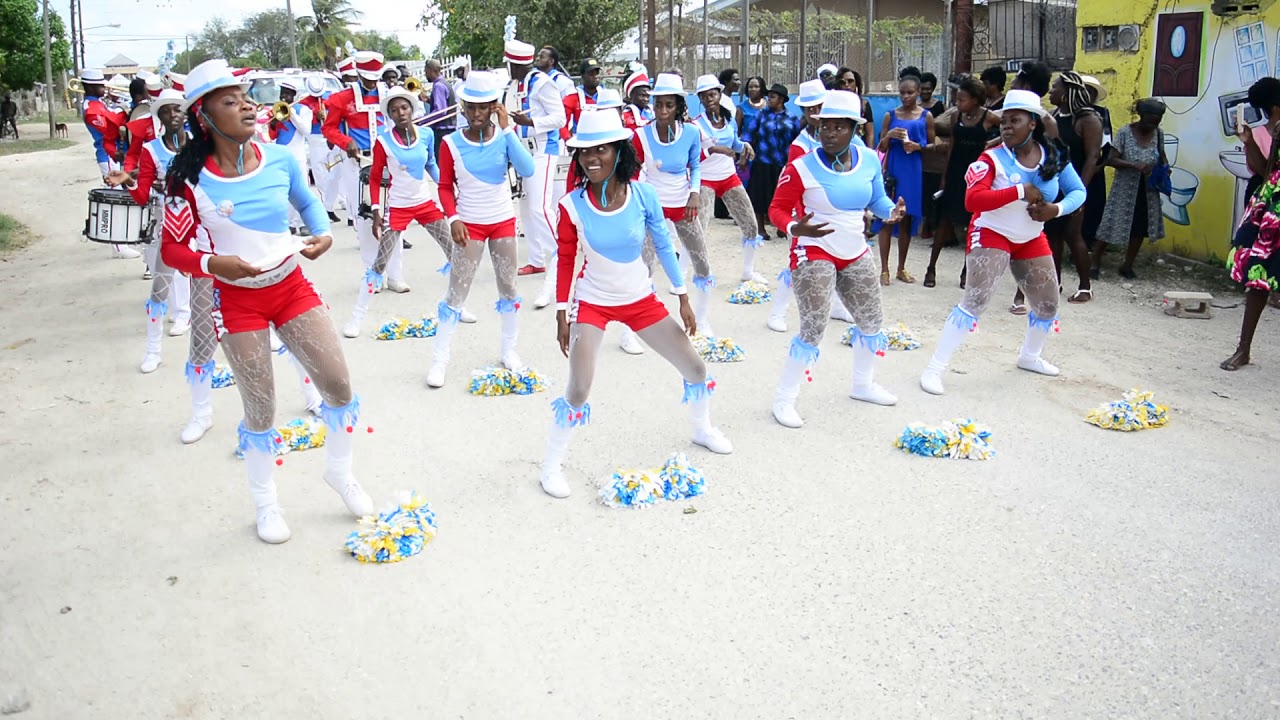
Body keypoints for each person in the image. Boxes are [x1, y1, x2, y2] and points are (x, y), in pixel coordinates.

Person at [159, 59, 372, 543]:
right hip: (237, 301)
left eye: (246, 96)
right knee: (261, 408)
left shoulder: (279, 157)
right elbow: (173, 249)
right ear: (204, 117)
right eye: (230, 102)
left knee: (338, 384)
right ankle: (267, 503)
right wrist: (215, 266)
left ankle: (339, 472)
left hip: (291, 285)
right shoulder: (187, 177)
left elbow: (307, 200)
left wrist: (321, 232)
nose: (248, 105)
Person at [539, 109, 732, 499]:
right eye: (584, 152)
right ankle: (550, 466)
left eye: (602, 150)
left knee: (695, 366)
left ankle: (702, 428)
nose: (591, 159)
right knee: (578, 389)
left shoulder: (644, 193)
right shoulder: (572, 204)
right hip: (592, 302)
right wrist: (562, 313)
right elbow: (565, 258)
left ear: (619, 153)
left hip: (641, 300)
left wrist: (682, 298)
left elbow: (663, 243)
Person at [918, 89, 1085, 396]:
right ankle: (935, 368)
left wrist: (1055, 209)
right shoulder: (991, 158)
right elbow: (973, 200)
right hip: (992, 232)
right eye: (1004, 121)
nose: (1006, 126)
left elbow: (1078, 192)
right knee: (976, 302)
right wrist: (1021, 190)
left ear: (1033, 123)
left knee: (1048, 304)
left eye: (1015, 120)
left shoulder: (1055, 156)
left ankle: (1029, 356)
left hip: (1030, 237)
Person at [768, 91, 908, 427]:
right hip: (813, 247)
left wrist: (891, 213)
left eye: (838, 127)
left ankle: (862, 384)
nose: (829, 133)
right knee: (814, 327)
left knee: (872, 320)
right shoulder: (800, 166)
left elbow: (877, 199)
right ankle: (784, 399)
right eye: (823, 126)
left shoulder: (870, 160)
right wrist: (794, 227)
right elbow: (776, 209)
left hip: (855, 248)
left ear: (853, 130)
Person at [431, 71, 536, 387]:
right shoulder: (450, 143)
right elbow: (445, 186)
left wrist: (508, 130)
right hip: (469, 225)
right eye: (471, 107)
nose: (477, 114)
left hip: (503, 220)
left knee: (509, 290)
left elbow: (527, 168)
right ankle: (440, 360)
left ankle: (509, 351)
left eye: (484, 107)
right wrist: (453, 219)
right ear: (462, 106)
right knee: (456, 293)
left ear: (494, 106)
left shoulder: (504, 137)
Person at [345, 86, 457, 339]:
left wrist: (447, 192)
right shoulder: (383, 141)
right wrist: (376, 212)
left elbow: (431, 165)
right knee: (380, 262)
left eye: (404, 107)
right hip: (397, 207)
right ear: (390, 115)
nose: (401, 113)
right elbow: (375, 178)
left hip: (424, 203)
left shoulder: (427, 134)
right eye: (395, 110)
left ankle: (458, 306)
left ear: (412, 109)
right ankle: (357, 316)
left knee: (453, 251)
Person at [632, 73, 718, 336]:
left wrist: (694, 194)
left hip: (684, 204)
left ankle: (702, 320)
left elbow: (695, 165)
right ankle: (634, 330)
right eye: (658, 104)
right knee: (644, 267)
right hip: (652, 208)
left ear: (679, 107)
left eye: (669, 105)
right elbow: (634, 174)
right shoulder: (641, 135)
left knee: (701, 262)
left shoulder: (691, 132)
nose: (663, 111)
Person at [323, 51, 407, 291]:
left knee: (394, 217)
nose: (372, 82)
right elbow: (329, 128)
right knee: (365, 217)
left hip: (387, 161)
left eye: (375, 77)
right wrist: (345, 141)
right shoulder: (342, 99)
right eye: (367, 77)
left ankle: (395, 274)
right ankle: (373, 274)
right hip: (357, 164)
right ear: (358, 74)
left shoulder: (389, 96)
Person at [1222, 78, 1280, 370]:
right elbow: (1266, 170)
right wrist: (1248, 142)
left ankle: (1243, 349)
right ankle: (1243, 349)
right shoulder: (1269, 131)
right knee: (1259, 275)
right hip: (1273, 206)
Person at [506, 38, 567, 312]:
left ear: (517, 64)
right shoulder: (513, 85)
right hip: (522, 151)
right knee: (526, 209)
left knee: (540, 208)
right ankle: (536, 259)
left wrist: (531, 122)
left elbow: (560, 118)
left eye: (510, 64)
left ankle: (560, 257)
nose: (508, 68)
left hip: (544, 150)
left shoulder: (542, 83)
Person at [923, 77, 999, 289]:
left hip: (977, 177)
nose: (958, 103)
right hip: (956, 173)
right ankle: (931, 268)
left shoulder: (989, 117)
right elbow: (952, 148)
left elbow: (1009, 131)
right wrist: (945, 178)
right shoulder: (957, 115)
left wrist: (992, 143)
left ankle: (967, 272)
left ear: (975, 100)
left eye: (962, 99)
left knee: (972, 226)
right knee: (944, 222)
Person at [694, 74, 761, 284]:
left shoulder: (730, 120)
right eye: (704, 97)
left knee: (750, 224)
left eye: (712, 94)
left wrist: (745, 146)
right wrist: (714, 150)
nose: (709, 99)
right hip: (705, 179)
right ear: (700, 100)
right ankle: (691, 273)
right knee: (697, 230)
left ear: (720, 95)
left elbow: (735, 144)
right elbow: (693, 155)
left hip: (728, 177)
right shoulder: (696, 125)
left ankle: (748, 272)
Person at [1091, 98, 1167, 279]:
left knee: (1140, 228)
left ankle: (1127, 265)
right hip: (1125, 189)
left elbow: (1162, 156)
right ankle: (1094, 262)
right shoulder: (1125, 132)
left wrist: (1164, 168)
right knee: (1110, 224)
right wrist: (1134, 165)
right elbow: (1111, 159)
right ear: (1141, 115)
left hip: (1148, 190)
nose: (1153, 124)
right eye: (1150, 120)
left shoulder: (1159, 134)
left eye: (1157, 121)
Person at [1043, 71, 1102, 303]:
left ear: (1067, 92)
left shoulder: (1088, 120)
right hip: (1054, 183)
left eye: (1055, 87)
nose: (1051, 91)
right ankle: (1054, 283)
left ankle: (1085, 286)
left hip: (1076, 185)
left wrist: (1080, 193)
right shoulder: (1053, 116)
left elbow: (1092, 158)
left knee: (1072, 234)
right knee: (1052, 235)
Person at [875, 70, 935, 285]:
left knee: (906, 219)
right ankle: (884, 269)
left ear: (918, 92)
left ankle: (901, 267)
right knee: (887, 218)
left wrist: (918, 146)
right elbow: (880, 147)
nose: (906, 97)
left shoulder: (925, 116)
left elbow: (933, 145)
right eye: (902, 93)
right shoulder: (890, 115)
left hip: (913, 170)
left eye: (910, 92)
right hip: (894, 170)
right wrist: (889, 136)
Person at [81, 68, 140, 260]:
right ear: (89, 86)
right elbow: (109, 128)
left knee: (123, 193)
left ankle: (123, 239)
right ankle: (118, 247)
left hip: (113, 152)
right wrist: (120, 111)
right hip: (108, 154)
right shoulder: (91, 109)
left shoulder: (97, 104)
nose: (104, 88)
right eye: (100, 85)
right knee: (114, 199)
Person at [745, 83, 802, 240]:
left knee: (780, 196)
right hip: (762, 161)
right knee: (759, 195)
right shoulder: (761, 115)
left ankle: (781, 227)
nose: (769, 99)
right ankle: (761, 228)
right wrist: (745, 152)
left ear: (782, 99)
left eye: (772, 97)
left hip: (782, 163)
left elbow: (797, 139)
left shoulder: (791, 118)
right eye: (768, 96)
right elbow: (749, 134)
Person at [267, 80, 314, 236]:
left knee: (301, 190)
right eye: (282, 94)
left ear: (294, 95)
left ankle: (302, 224)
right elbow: (271, 135)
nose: (284, 97)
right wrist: (273, 123)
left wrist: (291, 113)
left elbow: (305, 130)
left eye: (287, 94)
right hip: (281, 155)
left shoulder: (304, 110)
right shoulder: (275, 111)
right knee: (283, 190)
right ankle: (289, 224)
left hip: (298, 156)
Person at [298, 76, 340, 222]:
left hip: (332, 137)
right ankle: (327, 207)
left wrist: (327, 115)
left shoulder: (331, 97)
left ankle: (340, 202)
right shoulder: (304, 103)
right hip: (316, 138)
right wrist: (315, 117)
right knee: (320, 172)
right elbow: (304, 125)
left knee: (337, 169)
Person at [423, 59, 457, 155]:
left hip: (442, 131)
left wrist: (422, 121)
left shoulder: (438, 86)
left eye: (426, 72)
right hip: (449, 128)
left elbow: (440, 111)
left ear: (431, 70)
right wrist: (428, 100)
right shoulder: (445, 83)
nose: (425, 75)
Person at [563, 58, 603, 133]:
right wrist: (569, 140)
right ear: (583, 76)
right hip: (580, 141)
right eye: (591, 74)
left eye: (597, 73)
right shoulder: (573, 97)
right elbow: (562, 124)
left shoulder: (605, 95)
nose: (595, 76)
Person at [735, 75, 767, 140]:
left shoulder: (769, 105)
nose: (753, 89)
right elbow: (737, 131)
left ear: (762, 88)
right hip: (749, 146)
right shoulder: (741, 108)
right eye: (750, 87)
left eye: (756, 87)